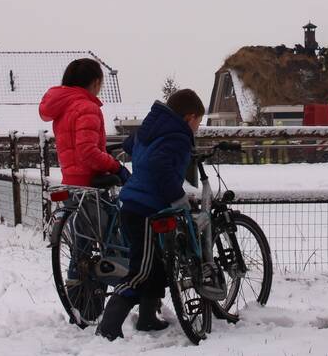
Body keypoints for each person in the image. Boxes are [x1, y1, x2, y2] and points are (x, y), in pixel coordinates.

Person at [95, 89, 209, 341]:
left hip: (136, 205)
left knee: (156, 265)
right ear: (189, 117)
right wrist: (178, 198)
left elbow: (129, 145)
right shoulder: (178, 136)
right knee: (141, 271)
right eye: (198, 123)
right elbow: (160, 166)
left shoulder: (153, 129)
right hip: (146, 211)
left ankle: (147, 318)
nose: (197, 129)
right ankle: (109, 325)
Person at [38, 58, 126, 187]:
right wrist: (116, 166)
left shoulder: (65, 107)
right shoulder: (87, 107)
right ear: (96, 82)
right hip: (90, 186)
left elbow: (75, 145)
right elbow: (87, 151)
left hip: (70, 183)